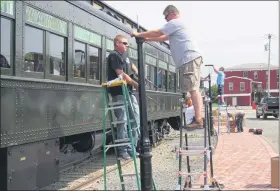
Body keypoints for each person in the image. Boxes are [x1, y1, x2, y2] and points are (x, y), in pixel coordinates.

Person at [131, 5, 203, 129]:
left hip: (188, 58)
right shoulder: (177, 27)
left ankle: (198, 120)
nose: (166, 20)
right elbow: (163, 37)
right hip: (189, 59)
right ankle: (198, 118)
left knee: (193, 88)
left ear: (170, 13)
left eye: (166, 17)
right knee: (193, 88)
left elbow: (158, 32)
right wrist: (146, 38)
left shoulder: (175, 23)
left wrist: (138, 34)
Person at [107, 34, 139, 160]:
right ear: (117, 43)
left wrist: (137, 71)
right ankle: (123, 150)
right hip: (119, 92)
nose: (127, 46)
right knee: (123, 121)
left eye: (128, 44)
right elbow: (121, 74)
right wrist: (135, 83)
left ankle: (132, 148)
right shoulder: (114, 55)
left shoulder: (125, 56)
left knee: (135, 118)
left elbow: (131, 65)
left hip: (128, 92)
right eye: (124, 43)